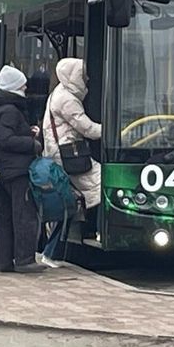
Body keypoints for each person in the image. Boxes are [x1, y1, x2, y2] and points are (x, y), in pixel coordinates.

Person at [0, 65, 48, 273]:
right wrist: (32, 143)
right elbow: (7, 139)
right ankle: (24, 259)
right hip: (17, 171)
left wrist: (27, 131)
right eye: (22, 86)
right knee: (24, 215)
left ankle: (3, 261)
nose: (25, 89)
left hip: (2, 171)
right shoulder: (11, 110)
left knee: (4, 218)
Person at [43, 58, 103, 238]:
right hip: (68, 152)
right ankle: (97, 228)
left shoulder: (59, 92)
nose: (86, 79)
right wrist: (112, 130)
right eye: (82, 75)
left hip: (58, 150)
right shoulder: (67, 100)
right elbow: (86, 128)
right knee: (100, 181)